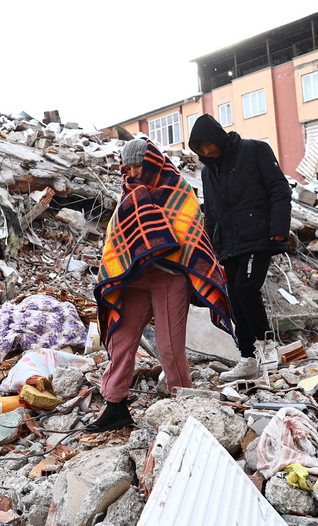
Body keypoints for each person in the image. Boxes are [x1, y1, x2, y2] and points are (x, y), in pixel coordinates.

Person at [89, 137, 233, 433]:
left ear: (152, 163)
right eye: (127, 168)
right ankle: (115, 406)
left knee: (168, 347)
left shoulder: (177, 189)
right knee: (120, 339)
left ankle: (183, 404)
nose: (132, 173)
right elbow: (119, 234)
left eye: (138, 166)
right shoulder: (129, 191)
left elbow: (189, 231)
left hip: (170, 275)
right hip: (133, 277)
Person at [188, 114, 292, 382]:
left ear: (217, 136)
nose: (206, 150)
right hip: (229, 243)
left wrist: (279, 228)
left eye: (208, 143)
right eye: (200, 148)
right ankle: (248, 358)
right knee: (235, 299)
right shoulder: (207, 172)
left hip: (258, 235)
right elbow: (211, 213)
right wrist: (212, 246)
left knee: (246, 289)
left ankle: (267, 347)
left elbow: (279, 188)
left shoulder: (255, 150)